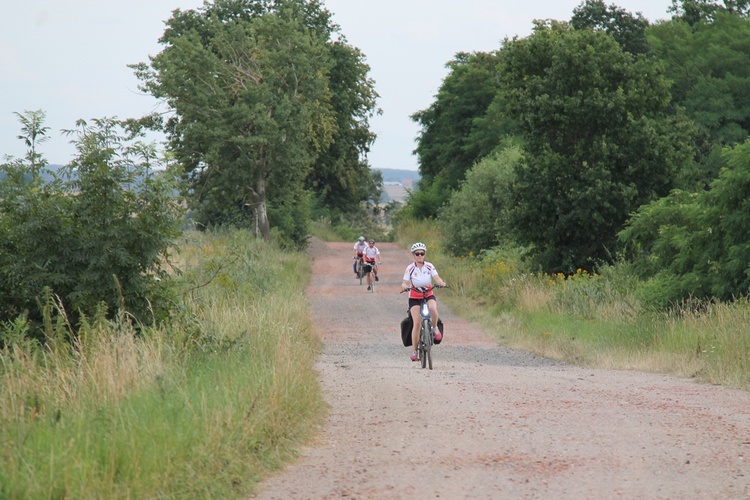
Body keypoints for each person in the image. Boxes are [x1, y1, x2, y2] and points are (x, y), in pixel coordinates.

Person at [401, 242, 446, 361]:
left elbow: (437, 277)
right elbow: (405, 282)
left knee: (433, 309)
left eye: (422, 253)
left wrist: (440, 283)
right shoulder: (410, 268)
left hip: (428, 294)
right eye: (417, 254)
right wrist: (404, 286)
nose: (420, 256)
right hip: (414, 297)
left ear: (424, 254)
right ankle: (415, 351)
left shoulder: (430, 266)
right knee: (417, 323)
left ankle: (435, 328)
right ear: (414, 255)